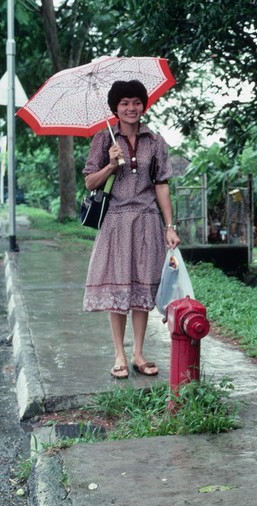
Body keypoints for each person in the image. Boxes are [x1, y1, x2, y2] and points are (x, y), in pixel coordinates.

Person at [82, 80, 181, 379]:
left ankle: (138, 353)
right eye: (124, 103)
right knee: (117, 287)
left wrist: (169, 226)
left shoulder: (156, 141)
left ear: (143, 105)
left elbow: (161, 185)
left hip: (148, 221)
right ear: (115, 108)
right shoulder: (103, 140)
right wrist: (111, 165)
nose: (131, 108)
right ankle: (119, 355)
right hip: (116, 221)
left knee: (141, 287)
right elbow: (89, 182)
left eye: (136, 102)